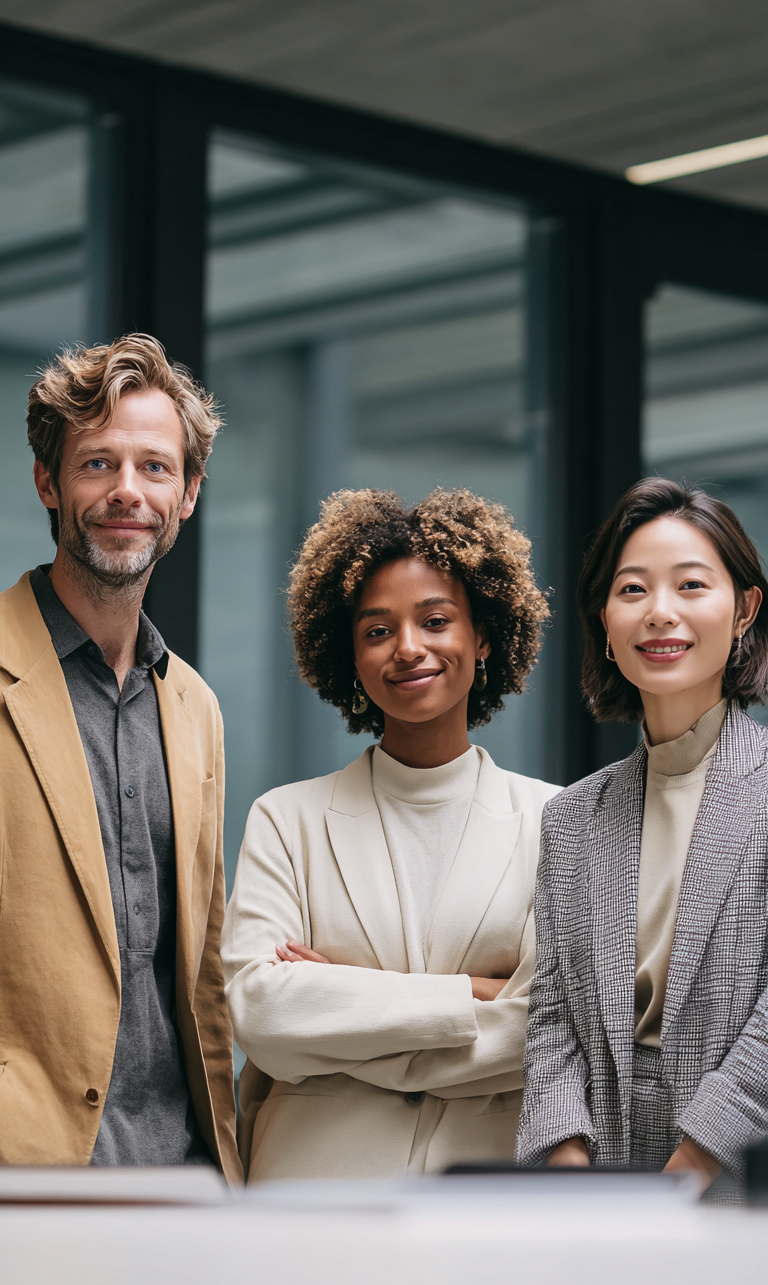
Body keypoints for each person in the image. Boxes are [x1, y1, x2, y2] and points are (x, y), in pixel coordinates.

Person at [222, 487, 558, 1181]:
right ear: (350, 651)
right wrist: (476, 992)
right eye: (377, 630)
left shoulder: (557, 822)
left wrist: (342, 1001)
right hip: (312, 1195)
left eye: (436, 620)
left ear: (484, 634)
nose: (408, 649)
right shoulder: (287, 820)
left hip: (483, 1195)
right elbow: (262, 1015)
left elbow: (548, 1029)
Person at [0, 334, 241, 1180]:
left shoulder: (196, 708)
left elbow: (201, 973)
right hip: (22, 1170)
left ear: (189, 495)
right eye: (98, 464)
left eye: (155, 467)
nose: (126, 492)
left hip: (177, 1171)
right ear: (48, 483)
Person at [517, 477, 768, 1196]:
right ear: (603, 619)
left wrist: (685, 1175)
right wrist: (571, 1173)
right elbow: (553, 1019)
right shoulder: (573, 816)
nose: (661, 613)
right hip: (596, 1172)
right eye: (632, 590)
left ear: (745, 608)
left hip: (741, 1164)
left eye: (691, 585)